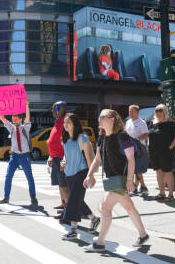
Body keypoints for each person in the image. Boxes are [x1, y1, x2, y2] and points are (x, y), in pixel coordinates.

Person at [83, 109, 148, 251]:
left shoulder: (123, 136)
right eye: (99, 117)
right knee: (129, 207)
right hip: (112, 179)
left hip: (121, 179)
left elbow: (131, 160)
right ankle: (143, 235)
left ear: (112, 120)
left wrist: (130, 180)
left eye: (102, 117)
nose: (99, 119)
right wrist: (89, 174)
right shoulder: (102, 137)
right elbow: (98, 159)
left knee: (106, 207)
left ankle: (99, 243)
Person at [60, 113, 101, 240]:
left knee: (72, 200)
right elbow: (66, 155)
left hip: (81, 172)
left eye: (68, 122)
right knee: (77, 199)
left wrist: (91, 175)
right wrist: (63, 161)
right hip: (69, 173)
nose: (65, 125)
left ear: (75, 124)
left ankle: (73, 230)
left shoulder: (82, 138)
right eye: (64, 123)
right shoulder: (65, 139)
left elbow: (89, 158)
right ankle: (94, 219)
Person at [0, 101, 38, 206]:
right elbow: (2, 118)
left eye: (16, 118)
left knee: (29, 177)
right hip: (14, 156)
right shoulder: (11, 128)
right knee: (8, 176)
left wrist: (27, 105)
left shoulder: (25, 127)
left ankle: (33, 197)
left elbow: (28, 117)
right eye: (13, 118)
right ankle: (6, 197)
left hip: (24, 156)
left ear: (20, 119)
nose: (13, 120)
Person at [148, 104, 175, 202]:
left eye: (160, 110)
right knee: (158, 172)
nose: (158, 112)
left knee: (167, 172)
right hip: (154, 152)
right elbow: (149, 136)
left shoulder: (170, 123)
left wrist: (171, 147)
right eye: (157, 110)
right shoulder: (152, 123)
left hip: (166, 152)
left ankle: (170, 195)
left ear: (165, 112)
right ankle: (161, 193)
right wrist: (149, 144)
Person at [47, 101, 69, 211]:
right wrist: (51, 156)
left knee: (64, 185)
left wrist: (65, 159)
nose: (52, 111)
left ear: (61, 109)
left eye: (54, 109)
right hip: (56, 157)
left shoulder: (67, 121)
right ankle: (63, 203)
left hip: (62, 158)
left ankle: (69, 209)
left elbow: (68, 142)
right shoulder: (58, 121)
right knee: (60, 184)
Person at [125, 104, 149, 195]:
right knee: (133, 168)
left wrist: (136, 140)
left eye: (132, 111)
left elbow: (146, 135)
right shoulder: (128, 122)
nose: (130, 113)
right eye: (129, 111)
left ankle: (140, 187)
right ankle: (139, 187)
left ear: (137, 112)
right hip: (128, 148)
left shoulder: (141, 122)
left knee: (137, 168)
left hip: (139, 148)